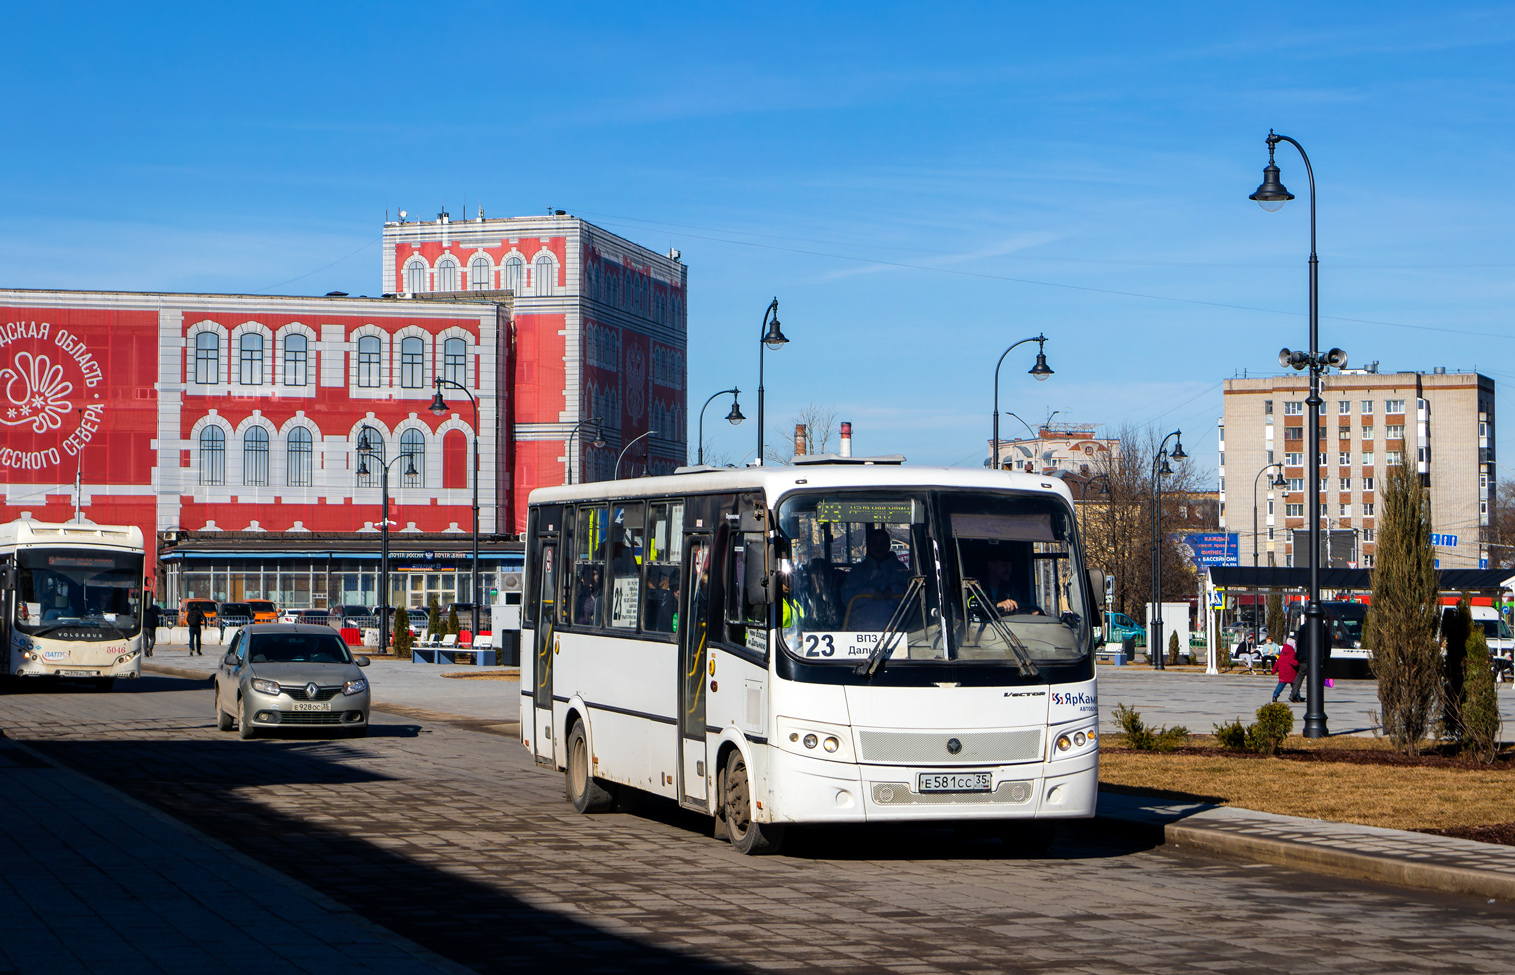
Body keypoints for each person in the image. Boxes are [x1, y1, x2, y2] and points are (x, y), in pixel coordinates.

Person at [839, 528, 912, 627]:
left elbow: (913, 596)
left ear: (889, 546)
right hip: (860, 632)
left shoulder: (901, 570)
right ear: (869, 545)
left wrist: (894, 590)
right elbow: (845, 597)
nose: (878, 546)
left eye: (882, 543)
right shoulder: (858, 571)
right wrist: (869, 592)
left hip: (897, 632)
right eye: (874, 543)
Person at [1271, 638, 1299, 703]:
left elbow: (1277, 662)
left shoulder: (1282, 653)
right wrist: (1298, 663)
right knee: (1295, 685)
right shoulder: (1292, 653)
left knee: (1281, 685)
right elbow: (1292, 661)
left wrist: (1273, 670)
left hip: (1282, 672)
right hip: (1291, 672)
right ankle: (1297, 696)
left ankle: (1275, 695)